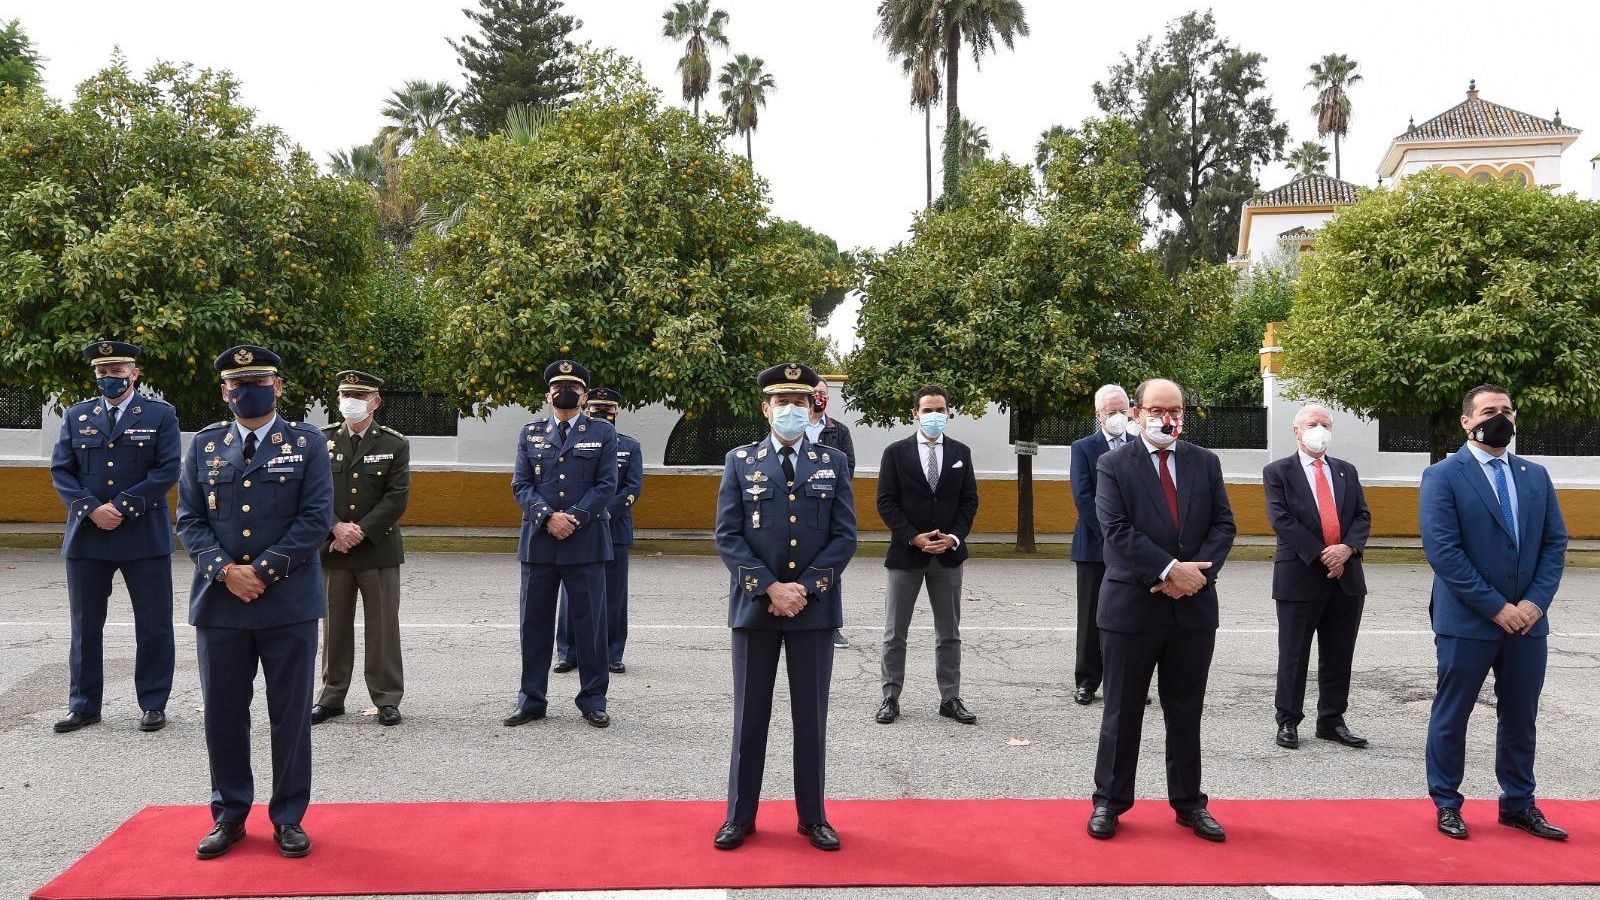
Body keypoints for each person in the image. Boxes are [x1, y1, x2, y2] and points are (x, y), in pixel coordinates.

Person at [176, 345, 332, 859]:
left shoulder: (307, 443)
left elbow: (314, 519)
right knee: (223, 713)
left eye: (258, 381)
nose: (247, 391)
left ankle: (288, 816)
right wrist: (225, 571)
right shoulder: (204, 445)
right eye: (237, 384)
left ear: (279, 387)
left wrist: (259, 572)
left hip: (287, 602)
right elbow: (190, 521)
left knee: (289, 715)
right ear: (224, 392)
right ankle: (229, 814)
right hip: (221, 605)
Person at [712, 362, 857, 852]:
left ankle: (813, 817)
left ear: (811, 408)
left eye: (800, 403)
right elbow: (728, 536)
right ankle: (740, 815)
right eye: (782, 403)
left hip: (813, 612)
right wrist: (770, 587)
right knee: (750, 716)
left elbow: (844, 537)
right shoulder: (740, 461)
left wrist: (806, 588)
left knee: (810, 718)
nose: (791, 411)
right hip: (756, 608)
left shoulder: (831, 462)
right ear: (765, 408)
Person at [1087, 378, 1236, 843]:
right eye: (1156, 408)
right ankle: (1110, 801)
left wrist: (1196, 577)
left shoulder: (1205, 463)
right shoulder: (1113, 464)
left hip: (1192, 610)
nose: (1166, 418)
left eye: (1175, 409)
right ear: (1136, 411)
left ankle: (1189, 804)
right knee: (1122, 710)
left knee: (1186, 710)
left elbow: (1223, 525)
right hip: (1133, 607)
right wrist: (1172, 570)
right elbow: (1115, 530)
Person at [1421, 384, 1569, 841]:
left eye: (1506, 410)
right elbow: (1443, 552)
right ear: (1466, 421)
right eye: (1489, 410)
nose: (1500, 417)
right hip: (1468, 621)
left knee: (1521, 714)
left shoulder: (1535, 475)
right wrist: (1495, 607)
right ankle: (1447, 802)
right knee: (1454, 712)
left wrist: (1533, 604)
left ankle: (1518, 803)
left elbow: (1554, 543)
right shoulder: (1444, 476)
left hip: (1528, 623)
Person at [48, 340, 180, 734]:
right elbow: (61, 471)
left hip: (143, 535)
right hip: (89, 537)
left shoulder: (160, 415)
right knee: (86, 626)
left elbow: (167, 468)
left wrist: (121, 506)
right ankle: (84, 705)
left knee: (154, 624)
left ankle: (154, 703)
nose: (110, 378)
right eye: (103, 372)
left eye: (118, 371)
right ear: (96, 375)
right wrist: (91, 508)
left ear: (134, 373)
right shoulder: (76, 416)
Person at [504, 360, 617, 729]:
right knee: (533, 625)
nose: (563, 392)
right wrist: (547, 517)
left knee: (591, 627)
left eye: (572, 387)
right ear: (548, 393)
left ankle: (593, 699)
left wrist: (574, 517)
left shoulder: (602, 432)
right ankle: (531, 700)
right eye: (556, 386)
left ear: (584, 395)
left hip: (585, 544)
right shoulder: (530, 432)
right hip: (539, 544)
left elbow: (606, 485)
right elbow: (521, 484)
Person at [1263, 403, 1371, 751]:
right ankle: (1288, 720)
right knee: (1294, 652)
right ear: (1296, 431)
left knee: (1339, 652)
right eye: (1312, 423)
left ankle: (1331, 719)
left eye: (1325, 424)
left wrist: (1347, 549)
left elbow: (1362, 516)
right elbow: (1281, 520)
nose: (1319, 430)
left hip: (1347, 577)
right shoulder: (1278, 472)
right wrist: (1324, 554)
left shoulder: (1346, 471)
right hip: (1300, 575)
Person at [874, 384, 979, 726]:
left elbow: (969, 501)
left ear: (949, 413)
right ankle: (890, 697)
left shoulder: (961, 451)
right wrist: (913, 538)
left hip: (947, 558)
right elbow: (885, 501)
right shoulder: (895, 453)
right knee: (895, 632)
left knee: (949, 632)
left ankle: (950, 698)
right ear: (915, 414)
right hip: (907, 555)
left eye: (940, 410)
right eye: (928, 410)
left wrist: (953, 538)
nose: (935, 415)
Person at [311, 371, 411, 727]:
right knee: (333, 626)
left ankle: (386, 698)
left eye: (358, 394)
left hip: (377, 548)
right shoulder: (321, 441)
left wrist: (360, 531)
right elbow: (313, 493)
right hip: (333, 547)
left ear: (375, 402)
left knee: (382, 626)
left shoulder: (393, 444)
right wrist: (335, 527)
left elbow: (397, 497)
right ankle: (331, 695)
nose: (350, 400)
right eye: (345, 394)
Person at [554, 387, 642, 675]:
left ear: (617, 412)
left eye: (608, 409)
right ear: (586, 408)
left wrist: (602, 510)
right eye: (596, 408)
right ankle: (569, 652)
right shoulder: (578, 441)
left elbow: (632, 488)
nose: (602, 413)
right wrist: (584, 513)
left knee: (614, 595)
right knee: (572, 594)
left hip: (614, 529)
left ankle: (612, 652)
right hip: (581, 529)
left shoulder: (629, 445)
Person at [1068, 384, 1137, 705]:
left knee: (1130, 617)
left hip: (1134, 548)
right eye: (1112, 412)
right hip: (1095, 546)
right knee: (1092, 617)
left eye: (1123, 410)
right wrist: (1112, 536)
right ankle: (1087, 681)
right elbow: (1083, 496)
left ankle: (1124, 682)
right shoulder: (1083, 447)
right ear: (1098, 415)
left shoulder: (1140, 445)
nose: (1119, 417)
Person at [807, 381, 856, 649]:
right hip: (797, 507)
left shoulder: (838, 430)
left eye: (823, 394)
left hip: (827, 507)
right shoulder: (792, 427)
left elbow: (848, 466)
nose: (819, 398)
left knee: (831, 569)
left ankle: (833, 627)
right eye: (814, 393)